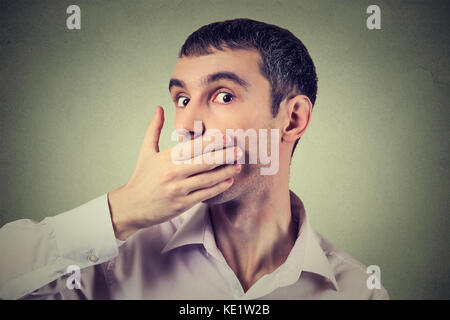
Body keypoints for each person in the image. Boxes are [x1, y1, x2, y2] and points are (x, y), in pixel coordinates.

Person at [0, 18, 389, 300]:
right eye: (182, 99)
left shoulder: (357, 290)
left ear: (292, 119)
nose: (185, 126)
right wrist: (121, 210)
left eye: (223, 96)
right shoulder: (110, 264)